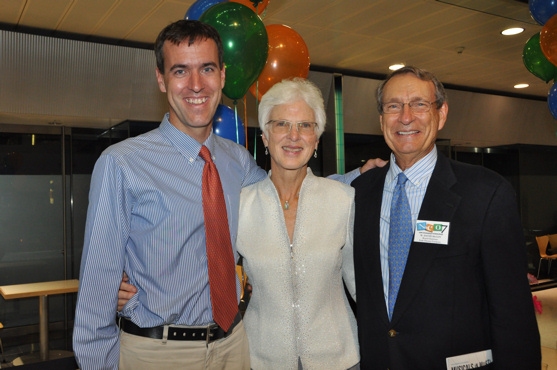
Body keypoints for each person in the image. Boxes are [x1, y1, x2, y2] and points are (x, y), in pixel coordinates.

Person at [73, 20, 378, 370]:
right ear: (161, 79)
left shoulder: (237, 161)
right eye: (180, 71)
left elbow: (285, 191)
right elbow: (96, 290)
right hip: (158, 352)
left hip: (235, 347)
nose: (196, 85)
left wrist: (360, 176)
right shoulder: (122, 164)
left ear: (222, 75)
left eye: (206, 68)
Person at [351, 66, 541, 369]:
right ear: (381, 119)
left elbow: (512, 313)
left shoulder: (486, 193)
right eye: (393, 106)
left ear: (441, 114)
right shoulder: (360, 193)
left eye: (419, 104)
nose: (405, 116)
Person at [237, 78, 359, 369]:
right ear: (265, 136)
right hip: (261, 360)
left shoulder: (344, 200)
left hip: (338, 359)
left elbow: (363, 286)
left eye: (305, 125)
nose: (294, 136)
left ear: (316, 139)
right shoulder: (240, 204)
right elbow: (210, 274)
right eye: (281, 124)